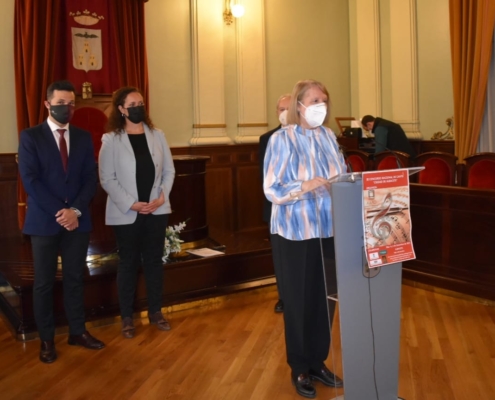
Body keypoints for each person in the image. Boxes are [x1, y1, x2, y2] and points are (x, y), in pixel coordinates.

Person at [263, 79, 344, 398]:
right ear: (298, 105)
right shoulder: (282, 140)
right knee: (298, 301)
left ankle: (317, 361)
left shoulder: (328, 137)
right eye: (314, 100)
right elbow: (272, 189)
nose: (320, 105)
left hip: (328, 230)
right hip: (294, 233)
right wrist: (305, 186)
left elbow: (340, 175)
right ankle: (299, 367)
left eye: (324, 99)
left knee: (324, 301)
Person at [18, 80, 105, 364]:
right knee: (43, 283)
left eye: (70, 103)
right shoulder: (31, 136)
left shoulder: (81, 136)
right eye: (60, 103)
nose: (66, 108)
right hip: (44, 222)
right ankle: (46, 339)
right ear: (47, 104)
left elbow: (90, 178)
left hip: (77, 221)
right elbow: (31, 180)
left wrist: (76, 211)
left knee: (74, 279)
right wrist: (61, 211)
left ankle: (77, 331)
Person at [99, 87, 175, 339]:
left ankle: (156, 311)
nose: (138, 107)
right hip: (127, 212)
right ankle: (127, 318)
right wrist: (132, 203)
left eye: (140, 102)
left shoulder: (157, 135)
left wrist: (162, 194)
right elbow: (107, 179)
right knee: (129, 263)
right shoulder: (111, 140)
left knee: (154, 262)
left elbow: (169, 171)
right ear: (121, 109)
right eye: (132, 103)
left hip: (156, 209)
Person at [258, 93, 291, 314]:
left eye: (288, 108)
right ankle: (284, 297)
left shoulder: (313, 136)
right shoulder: (267, 139)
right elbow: (266, 178)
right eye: (281, 109)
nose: (285, 113)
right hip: (276, 208)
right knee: (280, 258)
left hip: (303, 208)